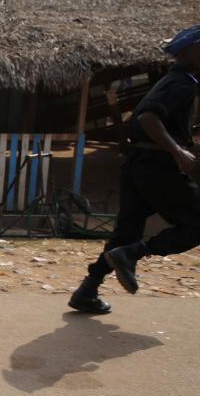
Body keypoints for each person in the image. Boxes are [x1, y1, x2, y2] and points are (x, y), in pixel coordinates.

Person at [69, 25, 200, 314]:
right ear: (190, 51)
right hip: (157, 166)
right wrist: (178, 150)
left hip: (138, 165)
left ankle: (88, 289)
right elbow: (148, 119)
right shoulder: (183, 84)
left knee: (125, 232)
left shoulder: (174, 80)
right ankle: (135, 253)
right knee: (196, 224)